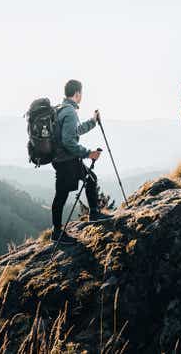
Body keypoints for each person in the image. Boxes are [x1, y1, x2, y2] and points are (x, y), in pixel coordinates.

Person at [51, 79, 111, 244]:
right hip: (67, 160)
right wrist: (88, 153)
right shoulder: (69, 112)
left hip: (60, 158)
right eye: (81, 93)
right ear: (77, 93)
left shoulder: (60, 109)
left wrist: (93, 121)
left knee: (90, 179)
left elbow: (75, 131)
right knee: (62, 195)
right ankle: (57, 232)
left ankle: (93, 213)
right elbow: (69, 140)